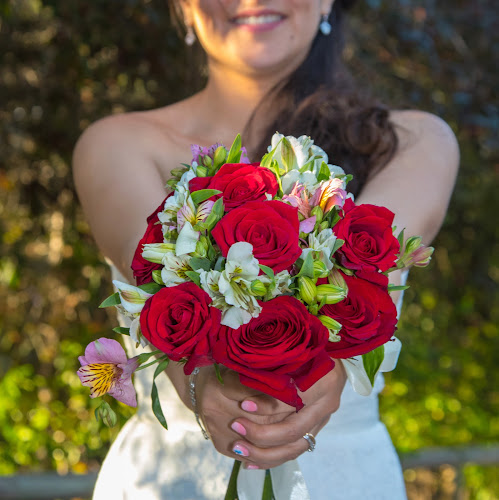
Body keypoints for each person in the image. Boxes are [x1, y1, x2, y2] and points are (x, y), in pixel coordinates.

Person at [72, 1, 459, 498]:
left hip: (344, 477)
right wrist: (199, 382)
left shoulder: (412, 142)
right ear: (184, 7)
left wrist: (324, 368)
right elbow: (147, 264)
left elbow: (365, 271)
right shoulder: (116, 144)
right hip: (171, 480)